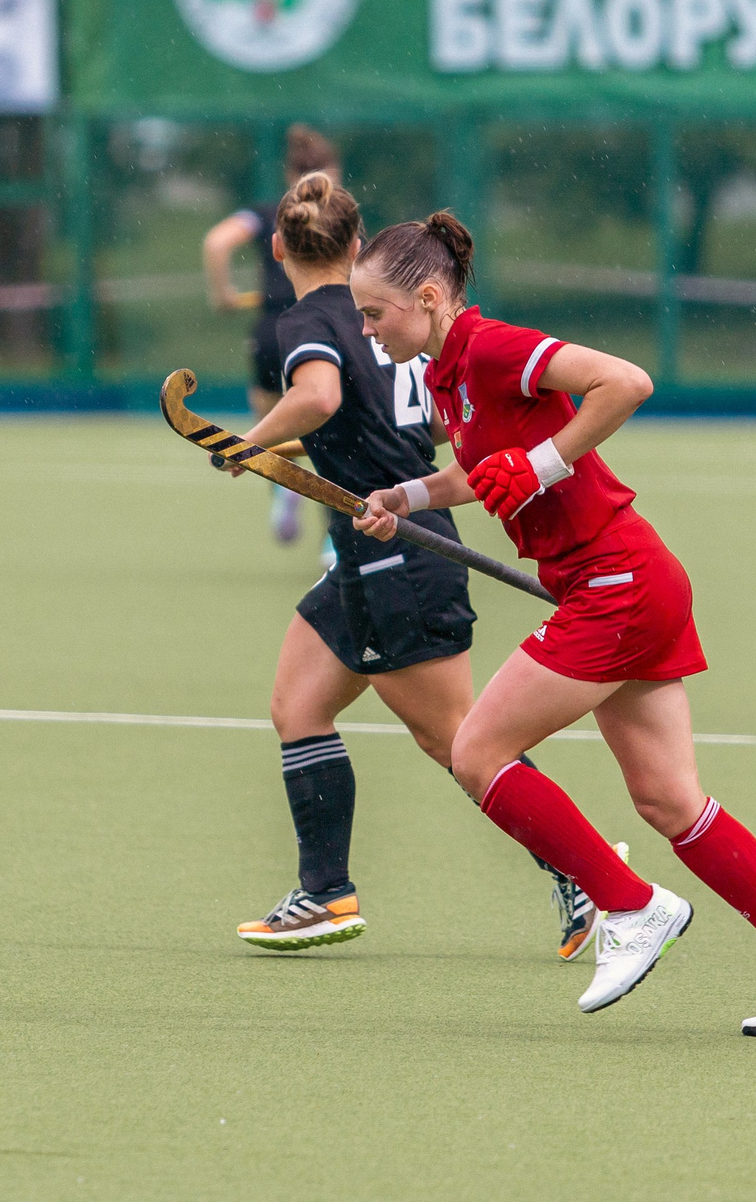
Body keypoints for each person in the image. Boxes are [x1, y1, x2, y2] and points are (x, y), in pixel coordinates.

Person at [353, 212, 756, 1035]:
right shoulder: (449, 374)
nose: (370, 332)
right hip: (621, 580)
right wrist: (407, 498)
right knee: (670, 800)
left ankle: (628, 906)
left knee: (476, 751)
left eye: (376, 314)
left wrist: (543, 463)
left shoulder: (490, 347)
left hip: (615, 582)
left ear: (426, 297)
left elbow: (625, 381)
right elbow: (482, 469)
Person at [215, 173, 601, 959]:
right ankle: (325, 890)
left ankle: (586, 873)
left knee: (460, 741)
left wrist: (246, 441)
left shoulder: (310, 320)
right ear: (356, 245)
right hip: (367, 555)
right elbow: (403, 433)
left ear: (278, 246)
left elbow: (320, 397)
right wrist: (287, 450)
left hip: (400, 558)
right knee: (298, 705)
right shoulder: (386, 321)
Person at [202, 124, 342, 546]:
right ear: (332, 173)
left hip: (272, 332)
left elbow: (216, 241)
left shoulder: (268, 213)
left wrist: (223, 294)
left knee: (271, 422)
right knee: (338, 432)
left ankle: (283, 488)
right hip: (326, 330)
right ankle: (336, 539)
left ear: (288, 175)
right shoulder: (343, 219)